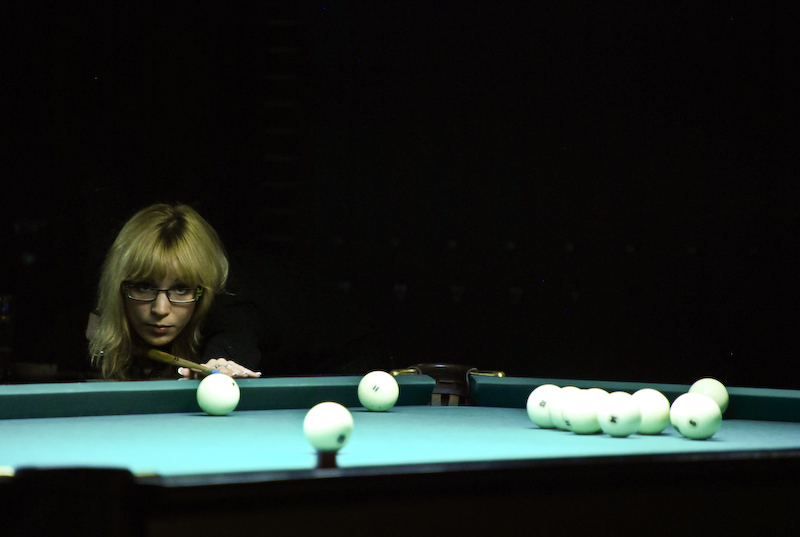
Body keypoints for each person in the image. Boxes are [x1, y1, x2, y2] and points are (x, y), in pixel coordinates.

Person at [88, 203, 260, 380]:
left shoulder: (226, 315)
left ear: (202, 292)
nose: (160, 309)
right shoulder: (97, 321)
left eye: (181, 289)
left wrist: (221, 366)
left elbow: (235, 338)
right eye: (144, 286)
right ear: (119, 288)